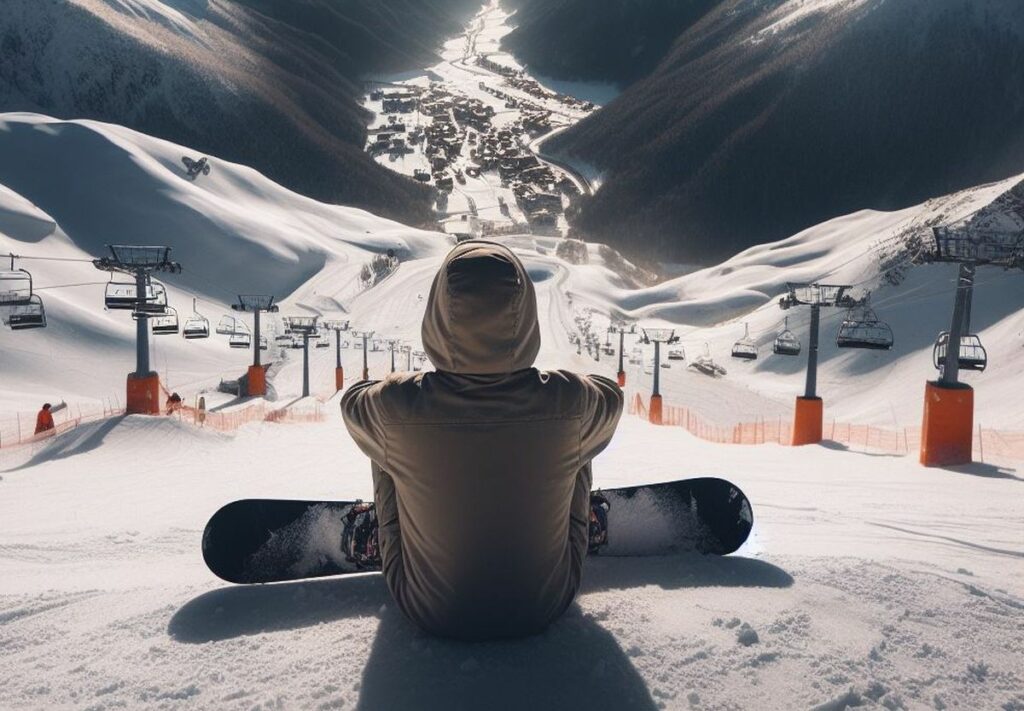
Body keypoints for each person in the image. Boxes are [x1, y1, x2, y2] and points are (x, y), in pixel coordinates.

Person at [342, 241, 623, 641]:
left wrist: (396, 389)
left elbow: (353, 402)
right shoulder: (569, 401)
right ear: (525, 316)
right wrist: (566, 387)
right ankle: (571, 517)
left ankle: (391, 529)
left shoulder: (397, 405)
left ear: (437, 316)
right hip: (546, 604)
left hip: (429, 609)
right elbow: (610, 396)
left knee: (384, 445)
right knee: (580, 440)